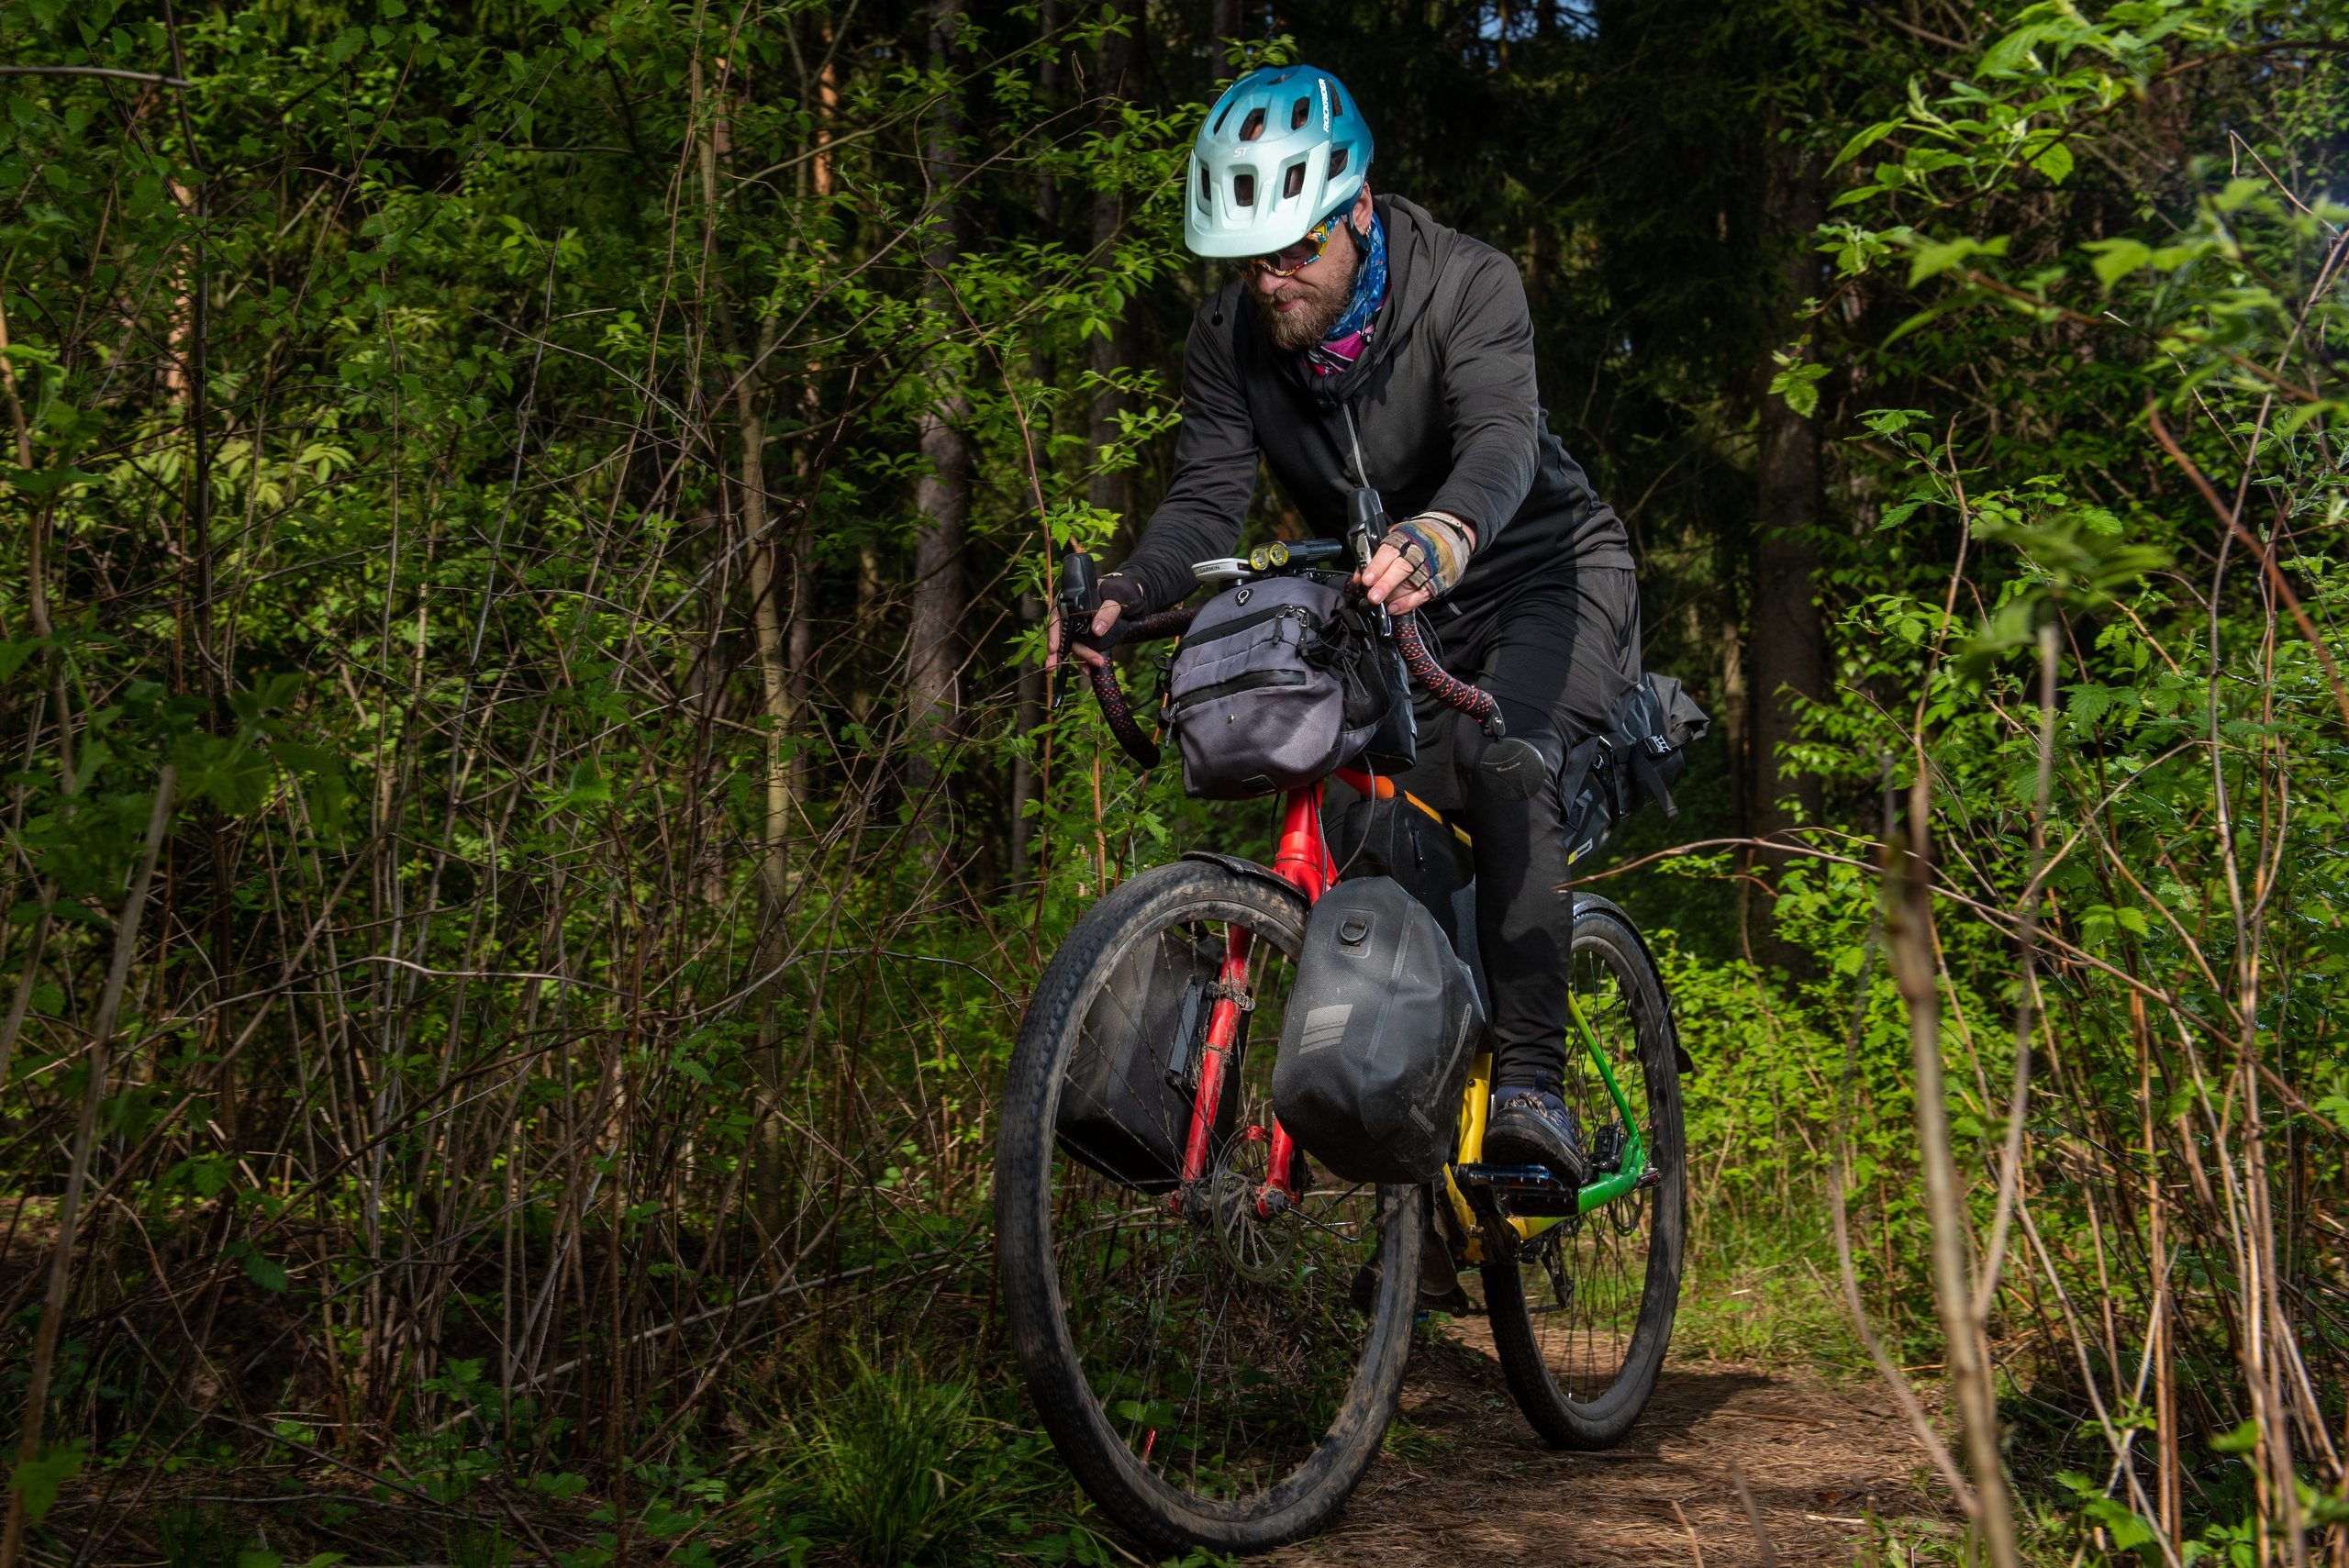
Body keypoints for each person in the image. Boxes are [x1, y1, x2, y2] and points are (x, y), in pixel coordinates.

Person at [1048, 62, 1643, 1193]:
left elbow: (1502, 439)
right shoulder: (1230, 337)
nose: (1270, 281)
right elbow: (1203, 498)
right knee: (1370, 840)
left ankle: (1532, 1087)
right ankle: (1418, 1185)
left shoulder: (1468, 283)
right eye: (1249, 258)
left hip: (1537, 576)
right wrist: (1129, 587)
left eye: (1294, 251)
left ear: (1357, 211)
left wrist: (1448, 529)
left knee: (1510, 769)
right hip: (1381, 600)